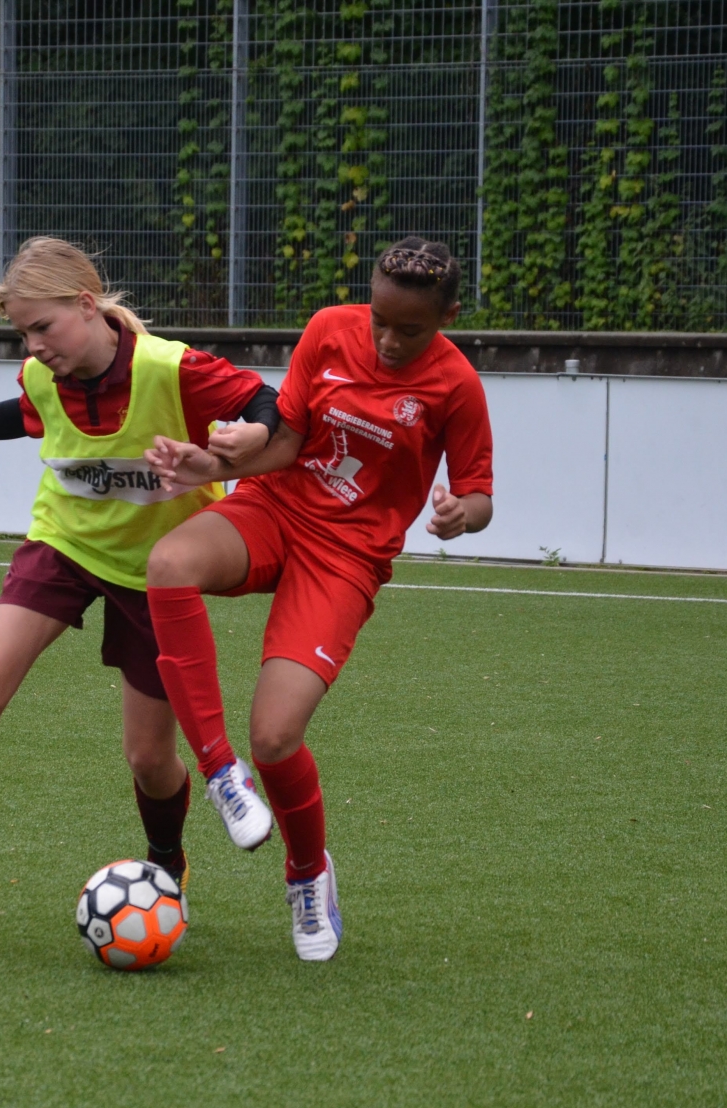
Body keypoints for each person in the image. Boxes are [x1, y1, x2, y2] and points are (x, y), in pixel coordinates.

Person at [0, 237, 280, 926]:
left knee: (148, 758)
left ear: (86, 304)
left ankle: (166, 861)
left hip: (154, 574)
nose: (35, 345)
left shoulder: (171, 368)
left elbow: (264, 400)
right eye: (23, 333)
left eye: (42, 326)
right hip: (63, 545)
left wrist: (250, 436)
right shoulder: (42, 376)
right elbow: (19, 416)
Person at [141, 237, 495, 961]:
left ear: (449, 316)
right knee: (169, 563)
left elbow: (481, 494)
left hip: (346, 557)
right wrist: (210, 464)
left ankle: (308, 875)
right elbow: (285, 442)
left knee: (276, 737)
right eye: (380, 320)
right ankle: (220, 773)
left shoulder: (457, 386)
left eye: (410, 330)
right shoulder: (329, 329)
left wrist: (462, 514)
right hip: (274, 506)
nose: (388, 340)